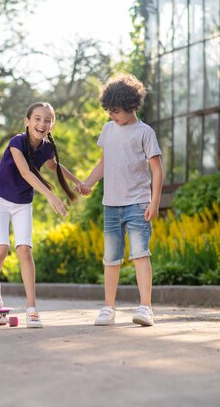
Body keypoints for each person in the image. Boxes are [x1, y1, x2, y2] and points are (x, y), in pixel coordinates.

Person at [0, 102, 88, 328]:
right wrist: (50, 196)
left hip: (22, 203)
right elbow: (24, 172)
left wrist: (78, 182)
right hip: (0, 200)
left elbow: (55, 168)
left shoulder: (46, 149)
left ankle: (32, 309)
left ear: (52, 125)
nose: (42, 124)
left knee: (25, 249)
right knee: (1, 249)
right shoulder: (17, 142)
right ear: (27, 121)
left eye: (47, 120)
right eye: (37, 119)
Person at [79, 74, 163, 327]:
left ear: (131, 106)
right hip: (111, 205)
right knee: (111, 258)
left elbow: (157, 170)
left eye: (116, 111)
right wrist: (88, 182)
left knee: (140, 255)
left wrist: (154, 202)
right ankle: (108, 308)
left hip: (138, 203)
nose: (112, 115)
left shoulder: (145, 132)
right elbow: (104, 162)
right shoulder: (108, 130)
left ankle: (146, 307)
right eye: (109, 111)